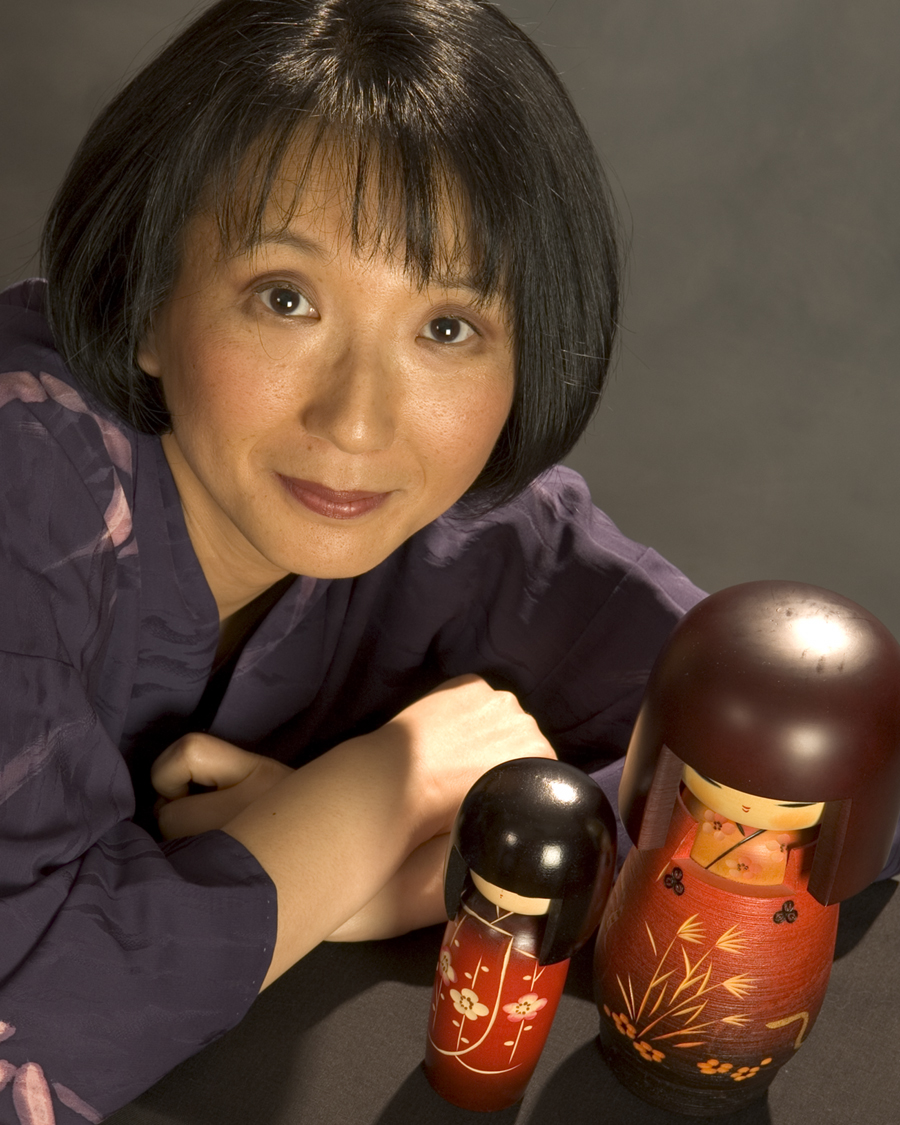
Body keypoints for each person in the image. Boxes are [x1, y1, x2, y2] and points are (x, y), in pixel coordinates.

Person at [0, 0, 704, 1119]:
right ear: (143, 295)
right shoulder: (24, 474)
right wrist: (377, 796)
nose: (363, 423)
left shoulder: (461, 524)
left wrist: (457, 872)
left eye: (447, 329)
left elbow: (826, 775)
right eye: (286, 299)